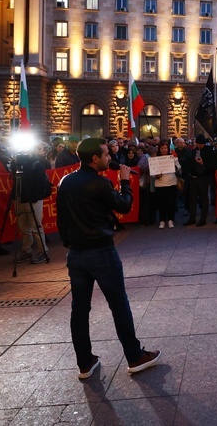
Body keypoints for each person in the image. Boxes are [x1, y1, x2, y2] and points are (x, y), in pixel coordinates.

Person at [56, 137, 160, 379]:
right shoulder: (99, 183)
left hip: (76, 254)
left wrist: (68, 242)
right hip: (101, 251)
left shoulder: (65, 181)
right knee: (119, 304)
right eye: (106, 155)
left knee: (79, 309)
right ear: (94, 158)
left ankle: (85, 362)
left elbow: (62, 218)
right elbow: (124, 206)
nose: (110, 158)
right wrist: (125, 182)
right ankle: (135, 357)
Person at [151, 141, 181, 229]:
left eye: (165, 148)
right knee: (161, 203)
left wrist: (174, 167)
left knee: (171, 203)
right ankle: (162, 220)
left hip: (171, 182)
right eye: (162, 148)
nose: (164, 150)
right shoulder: (156, 159)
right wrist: (156, 175)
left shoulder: (173, 158)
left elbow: (179, 168)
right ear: (159, 149)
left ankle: (171, 219)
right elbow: (152, 172)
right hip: (160, 184)